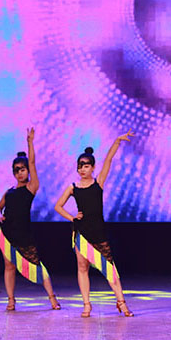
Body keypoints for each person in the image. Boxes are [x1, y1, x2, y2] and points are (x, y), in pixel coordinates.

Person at [54, 131, 135, 318]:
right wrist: (72, 218)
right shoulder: (73, 187)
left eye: (86, 166)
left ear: (92, 167)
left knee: (109, 268)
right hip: (81, 234)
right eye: (80, 166)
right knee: (82, 268)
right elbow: (58, 206)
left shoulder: (98, 183)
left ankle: (122, 303)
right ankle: (87, 305)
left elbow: (108, 160)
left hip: (98, 232)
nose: (82, 169)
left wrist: (117, 141)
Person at [0, 128, 60, 311]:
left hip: (23, 234)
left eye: (22, 169)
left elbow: (32, 162)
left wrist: (30, 143)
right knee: (9, 267)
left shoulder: (31, 187)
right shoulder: (9, 191)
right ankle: (11, 300)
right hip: (7, 233)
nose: (20, 173)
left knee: (37, 265)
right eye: (16, 170)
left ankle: (52, 298)